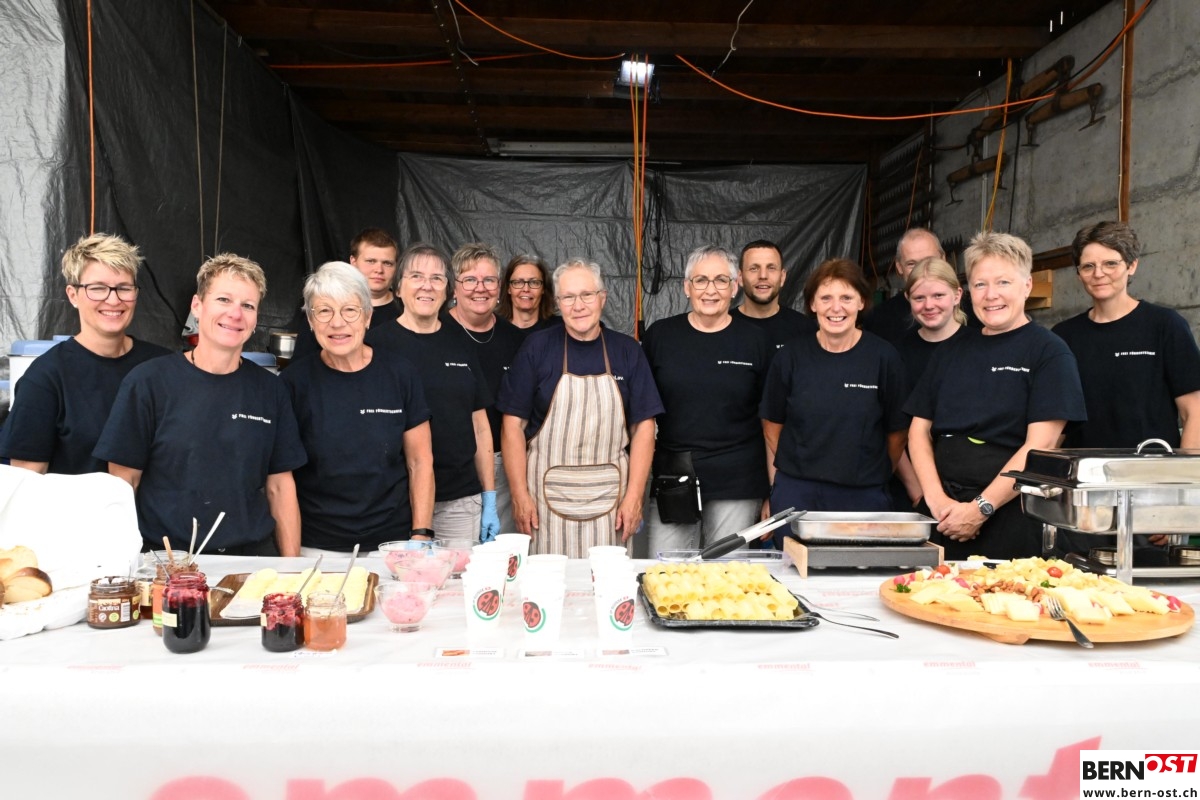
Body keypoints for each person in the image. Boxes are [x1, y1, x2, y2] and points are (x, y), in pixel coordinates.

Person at [94, 254, 307, 555]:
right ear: (197, 306)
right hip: (169, 561)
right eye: (223, 299)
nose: (235, 313)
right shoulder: (148, 382)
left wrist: (292, 569)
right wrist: (121, 565)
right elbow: (123, 482)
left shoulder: (270, 390)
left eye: (248, 305)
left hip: (251, 560)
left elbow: (280, 487)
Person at [906, 231, 1087, 561]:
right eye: (980, 284)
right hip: (943, 517)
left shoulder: (1049, 353)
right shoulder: (951, 351)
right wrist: (936, 500)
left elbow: (1041, 445)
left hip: (1011, 518)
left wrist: (981, 508)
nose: (991, 295)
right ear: (968, 292)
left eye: (1003, 282)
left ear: (1026, 285)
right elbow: (918, 430)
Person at [1051, 221, 1200, 556]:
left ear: (1132, 266)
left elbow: (1195, 413)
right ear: (1078, 272)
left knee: (1147, 584)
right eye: (1088, 266)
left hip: (1149, 491)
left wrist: (1178, 499)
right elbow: (1056, 425)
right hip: (1083, 495)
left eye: (1110, 263)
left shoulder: (1165, 326)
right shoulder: (1064, 336)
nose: (1099, 274)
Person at [498, 258, 663, 557]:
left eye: (587, 295)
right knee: (549, 581)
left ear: (602, 298)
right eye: (568, 297)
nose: (578, 306)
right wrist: (520, 496)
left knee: (606, 580)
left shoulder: (627, 351)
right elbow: (512, 426)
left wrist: (634, 497)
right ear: (558, 303)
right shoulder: (536, 348)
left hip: (611, 502)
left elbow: (644, 427)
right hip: (544, 503)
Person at [281, 262, 435, 554]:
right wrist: (292, 560)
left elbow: (420, 461)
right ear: (310, 321)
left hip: (392, 545)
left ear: (367, 316)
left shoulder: (400, 374)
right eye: (324, 311)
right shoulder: (293, 384)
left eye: (350, 310)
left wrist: (421, 534)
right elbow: (281, 479)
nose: (337, 323)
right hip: (318, 547)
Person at [760, 258, 908, 547]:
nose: (836, 308)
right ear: (812, 304)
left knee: (858, 570)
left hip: (863, 496)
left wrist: (866, 471)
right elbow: (771, 424)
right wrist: (803, 465)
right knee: (794, 570)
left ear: (861, 302)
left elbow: (898, 433)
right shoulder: (790, 358)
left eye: (846, 298)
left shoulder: (884, 358)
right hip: (798, 495)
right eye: (826, 298)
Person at [0, 233, 169, 474]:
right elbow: (26, 480)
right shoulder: (46, 378)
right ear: (73, 295)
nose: (113, 300)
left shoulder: (163, 366)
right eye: (98, 288)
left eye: (124, 288)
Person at [642, 245, 772, 554]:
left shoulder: (756, 341)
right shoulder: (661, 336)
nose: (710, 290)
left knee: (727, 573)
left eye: (721, 280)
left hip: (737, 479)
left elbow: (771, 422)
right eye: (700, 280)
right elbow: (641, 415)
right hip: (675, 475)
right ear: (686, 287)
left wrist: (774, 489)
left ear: (735, 286)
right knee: (666, 569)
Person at [365, 243, 498, 543]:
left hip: (458, 502)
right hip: (395, 503)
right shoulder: (376, 345)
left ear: (448, 290)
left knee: (457, 575)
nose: (427, 285)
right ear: (398, 288)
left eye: (437, 278)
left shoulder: (461, 342)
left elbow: (479, 426)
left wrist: (489, 495)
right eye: (416, 276)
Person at [443, 243, 528, 535]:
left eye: (488, 280)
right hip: (451, 466)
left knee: (500, 553)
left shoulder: (516, 340)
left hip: (503, 466)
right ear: (454, 287)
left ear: (499, 286)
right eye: (470, 280)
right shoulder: (436, 332)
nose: (480, 288)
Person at [890, 257, 975, 509]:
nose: (929, 305)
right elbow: (892, 428)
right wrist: (916, 488)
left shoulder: (979, 348)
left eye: (938, 295)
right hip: (911, 486)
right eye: (919, 298)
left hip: (970, 485)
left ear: (957, 295)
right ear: (907, 298)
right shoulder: (895, 354)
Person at [287, 228, 403, 363]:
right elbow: (302, 363)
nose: (379, 270)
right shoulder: (323, 307)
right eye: (371, 261)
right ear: (353, 262)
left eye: (387, 263)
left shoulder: (405, 311)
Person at [863, 227, 945, 344]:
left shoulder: (969, 312)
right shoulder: (878, 319)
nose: (922, 270)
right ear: (899, 267)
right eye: (911, 264)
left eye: (929, 261)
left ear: (943, 259)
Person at [732, 239, 817, 350]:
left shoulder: (805, 329)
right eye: (754, 269)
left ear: (782, 277)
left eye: (771, 268)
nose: (763, 276)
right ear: (740, 278)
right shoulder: (721, 327)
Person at [498, 253, 556, 330]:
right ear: (508, 288)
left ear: (543, 288)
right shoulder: (495, 329)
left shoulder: (559, 328)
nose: (526, 289)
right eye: (518, 282)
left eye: (534, 282)